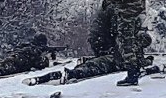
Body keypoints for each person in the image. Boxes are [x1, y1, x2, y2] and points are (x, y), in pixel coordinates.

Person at [26, 32, 155, 86]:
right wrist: (149, 60)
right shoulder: (134, 49)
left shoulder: (125, 42)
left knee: (85, 67)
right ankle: (69, 74)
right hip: (110, 63)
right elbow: (137, 62)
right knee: (87, 71)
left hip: (105, 58)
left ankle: (50, 76)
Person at [103, 0, 148, 86]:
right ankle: (138, 64)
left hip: (125, 10)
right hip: (138, 10)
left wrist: (107, 1)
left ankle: (132, 74)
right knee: (135, 38)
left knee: (125, 40)